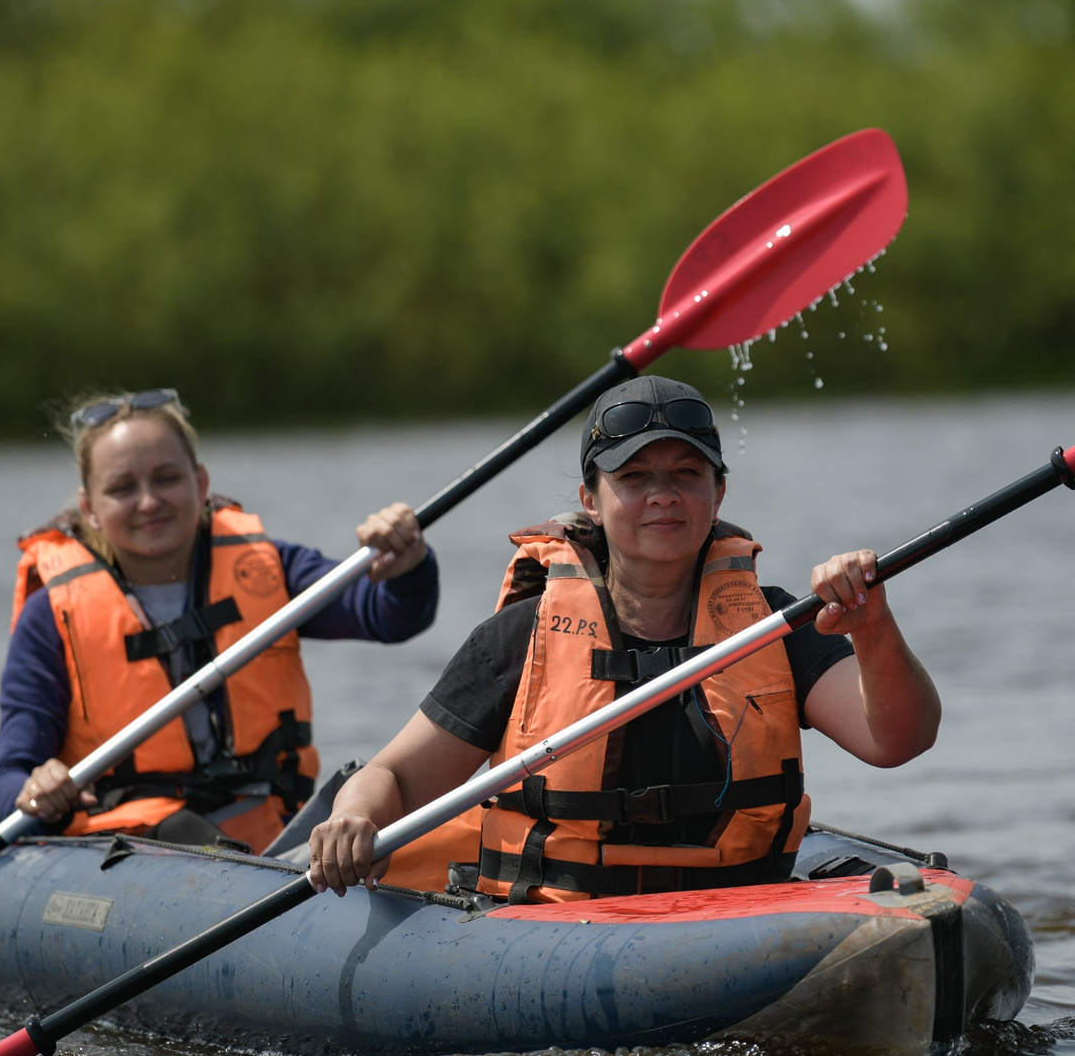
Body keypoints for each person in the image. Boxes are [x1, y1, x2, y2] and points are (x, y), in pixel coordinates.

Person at [307, 375, 939, 901]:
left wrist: (872, 625)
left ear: (718, 494)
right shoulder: (519, 639)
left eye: (687, 474)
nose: (663, 496)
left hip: (738, 913)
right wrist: (354, 816)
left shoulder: (772, 625)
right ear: (591, 498)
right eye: (634, 478)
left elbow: (897, 740)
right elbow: (394, 776)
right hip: (558, 934)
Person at [0, 388, 439, 854]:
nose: (149, 501)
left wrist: (407, 566)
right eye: (123, 488)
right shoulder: (51, 615)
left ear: (200, 483)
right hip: (136, 842)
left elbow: (391, 615)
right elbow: (7, 782)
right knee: (185, 832)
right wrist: (37, 788)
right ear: (90, 509)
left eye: (166, 478)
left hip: (270, 826)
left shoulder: (266, 568)